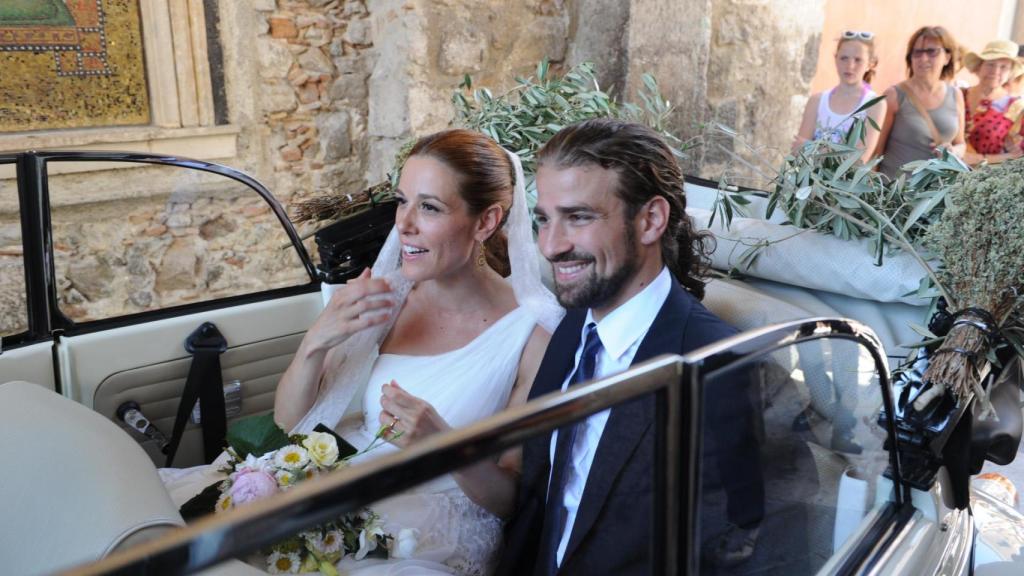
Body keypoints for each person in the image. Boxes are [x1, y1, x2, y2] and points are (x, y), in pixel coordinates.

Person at [162, 128, 564, 576]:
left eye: (429, 207)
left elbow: (511, 500)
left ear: (486, 221)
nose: (404, 223)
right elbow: (288, 425)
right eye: (402, 201)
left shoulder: (533, 335)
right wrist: (317, 341)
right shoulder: (387, 298)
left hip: (432, 534)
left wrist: (445, 444)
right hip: (344, 493)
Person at [498, 119, 765, 575]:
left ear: (650, 220)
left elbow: (735, 547)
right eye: (545, 219)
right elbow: (541, 501)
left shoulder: (715, 366)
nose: (551, 245)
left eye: (578, 217)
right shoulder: (572, 329)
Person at [876, 26, 966, 179]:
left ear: (947, 57)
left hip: (936, 195)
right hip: (896, 194)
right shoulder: (894, 95)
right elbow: (876, 151)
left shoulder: (955, 94)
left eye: (932, 52)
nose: (923, 59)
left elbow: (961, 143)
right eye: (917, 52)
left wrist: (954, 151)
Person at [793, 30, 886, 162]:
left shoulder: (874, 104)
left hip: (844, 183)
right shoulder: (817, 101)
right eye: (844, 58)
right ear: (835, 58)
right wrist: (838, 153)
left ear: (870, 64)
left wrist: (811, 149)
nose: (850, 66)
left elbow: (857, 160)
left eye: (858, 60)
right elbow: (797, 151)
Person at [959, 40, 1024, 166]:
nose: (995, 71)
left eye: (1003, 67)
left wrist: (981, 159)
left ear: (1010, 74)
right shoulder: (958, 95)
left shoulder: (1016, 108)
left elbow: (1018, 156)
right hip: (940, 176)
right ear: (979, 67)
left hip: (980, 180)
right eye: (990, 64)